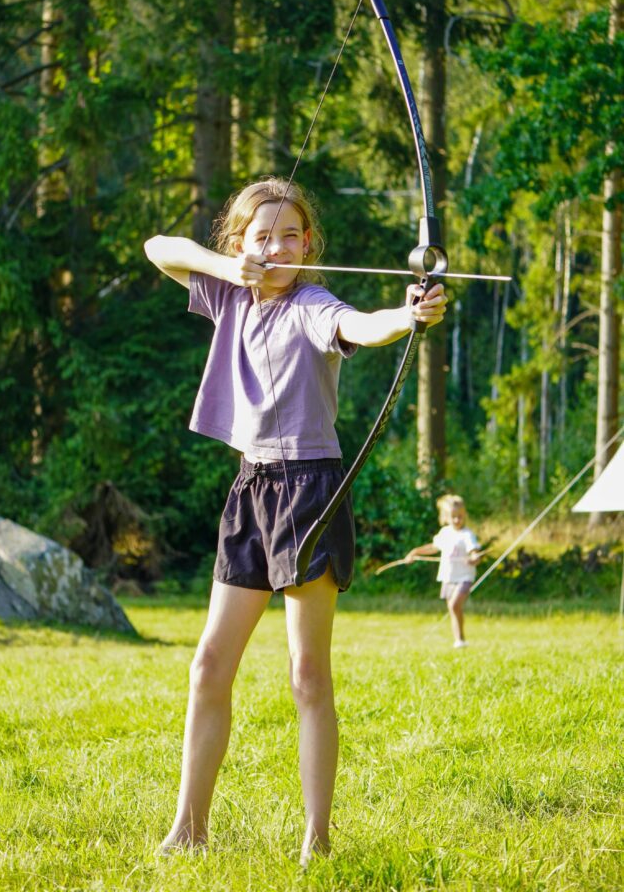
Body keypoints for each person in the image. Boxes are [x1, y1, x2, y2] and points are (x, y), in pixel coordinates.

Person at [144, 177, 447, 864]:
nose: (276, 247)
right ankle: (189, 827)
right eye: (261, 237)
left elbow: (359, 326)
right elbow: (158, 247)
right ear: (240, 243)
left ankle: (318, 837)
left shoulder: (313, 303)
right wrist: (229, 267)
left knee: (307, 672)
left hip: (309, 490)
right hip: (250, 488)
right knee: (208, 665)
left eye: (289, 236)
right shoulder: (226, 292)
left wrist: (408, 315)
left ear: (308, 244)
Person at [405, 494, 483, 648]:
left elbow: (475, 552)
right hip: (448, 577)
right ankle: (459, 639)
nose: (457, 520)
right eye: (453, 517)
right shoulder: (445, 533)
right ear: (446, 517)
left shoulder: (467, 535)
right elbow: (433, 547)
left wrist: (474, 558)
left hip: (464, 577)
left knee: (455, 605)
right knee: (453, 609)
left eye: (460, 516)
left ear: (464, 514)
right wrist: (415, 552)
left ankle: (460, 640)